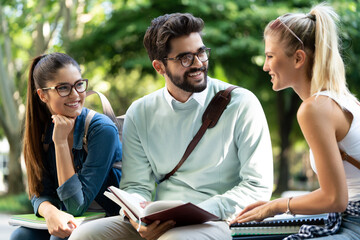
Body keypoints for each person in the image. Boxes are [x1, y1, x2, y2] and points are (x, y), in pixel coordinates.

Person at [69, 13, 273, 240]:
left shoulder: (242, 103)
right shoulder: (140, 111)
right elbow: (136, 185)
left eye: (201, 52)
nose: (198, 64)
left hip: (218, 219)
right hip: (160, 219)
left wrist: (204, 210)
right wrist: (138, 217)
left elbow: (258, 186)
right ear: (159, 67)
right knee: (83, 236)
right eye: (185, 58)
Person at [231, 3, 360, 239]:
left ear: (298, 58)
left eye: (270, 56)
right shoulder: (343, 100)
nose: (265, 65)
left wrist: (274, 206)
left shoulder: (314, 108)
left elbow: (335, 199)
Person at [10, 52, 123, 240]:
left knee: (60, 238)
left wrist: (61, 143)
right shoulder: (42, 131)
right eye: (63, 88)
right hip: (73, 218)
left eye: (79, 85)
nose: (75, 95)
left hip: (110, 218)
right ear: (42, 95)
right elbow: (39, 192)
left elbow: (76, 206)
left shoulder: (101, 129)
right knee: (20, 236)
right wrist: (50, 213)